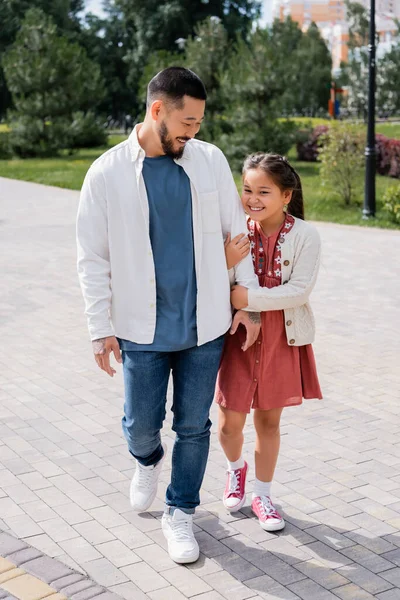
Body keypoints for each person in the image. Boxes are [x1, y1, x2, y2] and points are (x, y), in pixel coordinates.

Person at [76, 67, 260, 564]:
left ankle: (180, 512)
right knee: (141, 424)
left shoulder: (209, 160)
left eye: (199, 124)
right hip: (141, 326)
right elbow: (92, 256)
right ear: (157, 110)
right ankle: (147, 459)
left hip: (206, 324)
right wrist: (100, 328)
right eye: (187, 122)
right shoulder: (107, 172)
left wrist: (249, 302)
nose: (193, 132)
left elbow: (235, 230)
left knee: (194, 425)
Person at [216, 153, 322, 531]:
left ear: (286, 195)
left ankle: (262, 494)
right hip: (237, 337)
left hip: (282, 337)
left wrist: (249, 300)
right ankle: (235, 470)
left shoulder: (306, 236)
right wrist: (242, 306)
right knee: (229, 422)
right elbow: (222, 282)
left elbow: (299, 291)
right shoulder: (235, 231)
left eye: (264, 191)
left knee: (268, 423)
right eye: (247, 190)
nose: (253, 199)